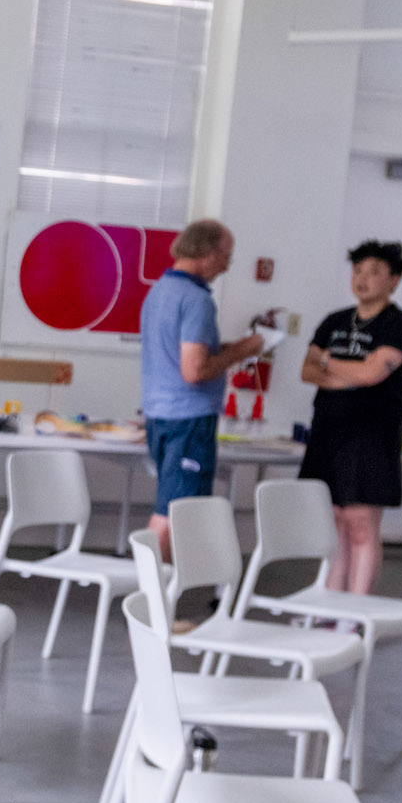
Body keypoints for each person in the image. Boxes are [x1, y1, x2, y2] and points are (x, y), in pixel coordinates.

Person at [138, 219, 266, 560]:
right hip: (188, 419)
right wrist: (246, 349)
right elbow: (194, 370)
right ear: (207, 253)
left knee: (171, 506)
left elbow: (183, 353)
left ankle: (156, 600)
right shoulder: (196, 300)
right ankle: (153, 605)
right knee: (173, 511)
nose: (226, 265)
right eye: (226, 256)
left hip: (160, 415)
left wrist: (230, 347)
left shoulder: (159, 291)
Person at [301, 240, 402, 596]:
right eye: (358, 271)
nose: (363, 279)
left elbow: (372, 375)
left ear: (394, 281)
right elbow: (307, 370)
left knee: (361, 524)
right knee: (334, 521)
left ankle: (356, 611)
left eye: (374, 273)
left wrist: (328, 362)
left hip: (371, 435)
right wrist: (346, 371)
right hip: (327, 431)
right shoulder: (334, 321)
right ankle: (331, 604)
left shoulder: (398, 325)